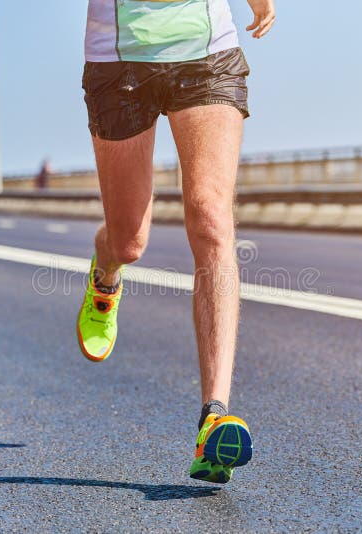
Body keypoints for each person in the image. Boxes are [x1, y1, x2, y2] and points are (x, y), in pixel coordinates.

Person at [77, 0, 275, 485]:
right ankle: (106, 277)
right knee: (128, 242)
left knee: (211, 218)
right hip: (119, 59)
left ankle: (214, 417)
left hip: (207, 50)